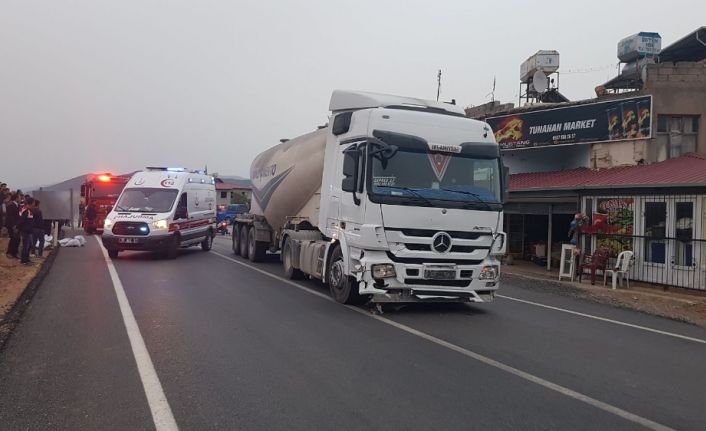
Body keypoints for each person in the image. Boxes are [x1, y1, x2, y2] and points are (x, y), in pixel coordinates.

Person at [18, 197, 35, 265]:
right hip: (25, 231)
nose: (34, 204)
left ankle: (27, 259)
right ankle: (24, 261)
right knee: (26, 246)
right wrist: (19, 228)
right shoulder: (25, 211)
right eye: (33, 202)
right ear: (30, 203)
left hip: (29, 231)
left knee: (30, 245)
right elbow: (22, 221)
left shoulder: (30, 210)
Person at [5, 193, 20, 258]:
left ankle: (15, 252)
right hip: (11, 225)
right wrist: (14, 225)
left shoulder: (18, 205)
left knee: (18, 239)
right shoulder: (11, 205)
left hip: (17, 224)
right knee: (13, 238)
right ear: (16, 198)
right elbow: (11, 216)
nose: (20, 199)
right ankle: (9, 252)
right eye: (19, 197)